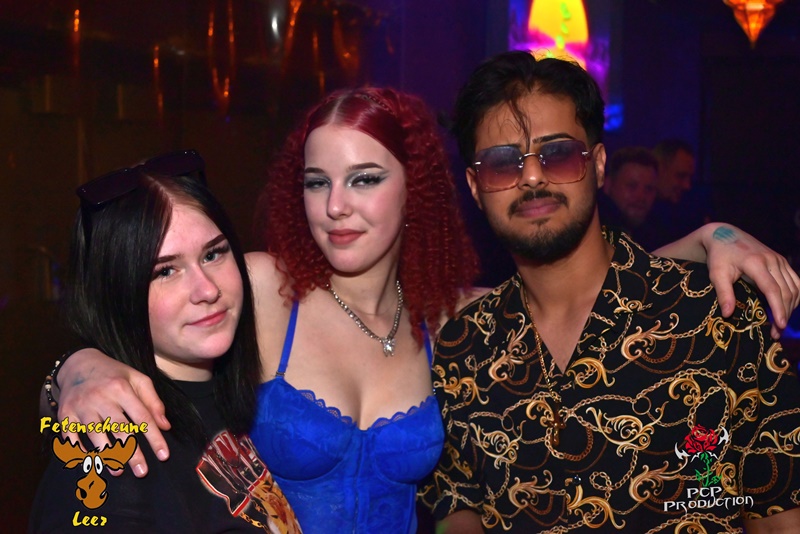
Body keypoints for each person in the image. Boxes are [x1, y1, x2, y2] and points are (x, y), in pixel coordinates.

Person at [47, 89, 799, 532]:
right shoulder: (267, 290)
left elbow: (585, 284)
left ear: (417, 192)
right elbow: (150, 311)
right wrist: (75, 371)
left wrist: (708, 237)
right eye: (317, 182)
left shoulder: (449, 320)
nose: (335, 207)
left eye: (365, 179)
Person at [424, 51, 800, 533]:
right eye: (503, 164)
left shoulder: (716, 314)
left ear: (599, 165)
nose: (532, 177)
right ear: (476, 188)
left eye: (558, 154)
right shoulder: (463, 349)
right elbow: (458, 507)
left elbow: (779, 514)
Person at [30, 151, 300, 533]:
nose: (207, 290)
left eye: (213, 253)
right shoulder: (112, 446)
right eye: (166, 271)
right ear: (117, 292)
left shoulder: (235, 389)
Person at [648, 138, 715, 247]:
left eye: (689, 178)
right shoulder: (637, 213)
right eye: (681, 176)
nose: (687, 186)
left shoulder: (685, 210)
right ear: (659, 169)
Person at [597, 145, 661, 249]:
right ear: (608, 185)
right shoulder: (593, 232)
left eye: (649, 189)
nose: (641, 196)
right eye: (632, 186)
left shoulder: (655, 234)